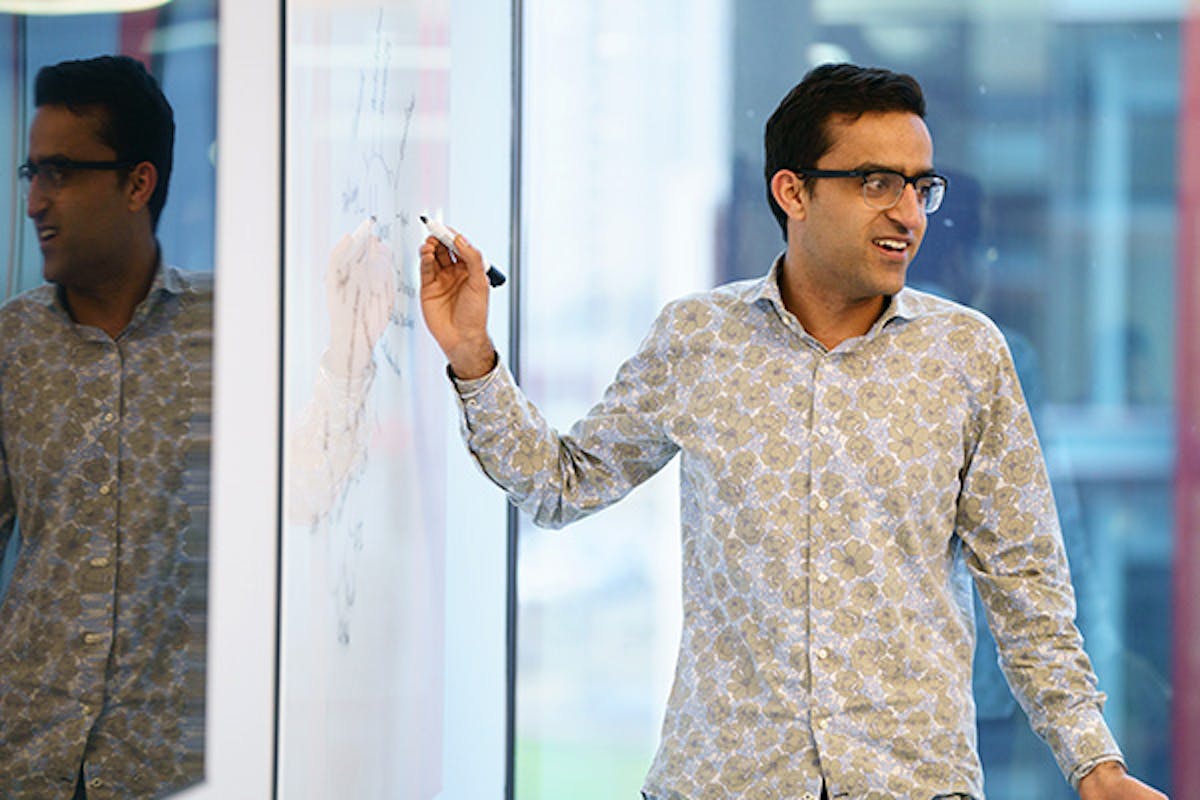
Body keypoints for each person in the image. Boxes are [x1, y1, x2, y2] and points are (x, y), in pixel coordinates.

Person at [419, 64, 1166, 799]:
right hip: (722, 782)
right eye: (878, 183)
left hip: (909, 784)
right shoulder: (699, 339)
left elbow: (1026, 581)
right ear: (793, 191)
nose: (909, 213)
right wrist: (473, 357)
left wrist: (1093, 767)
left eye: (920, 186)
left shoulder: (966, 356)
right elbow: (562, 486)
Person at [0, 55, 211, 799]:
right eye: (31, 172)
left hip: (174, 767)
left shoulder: (236, 333)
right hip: (27, 759)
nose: (34, 201)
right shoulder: (9, 346)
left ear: (137, 184)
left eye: (58, 171)